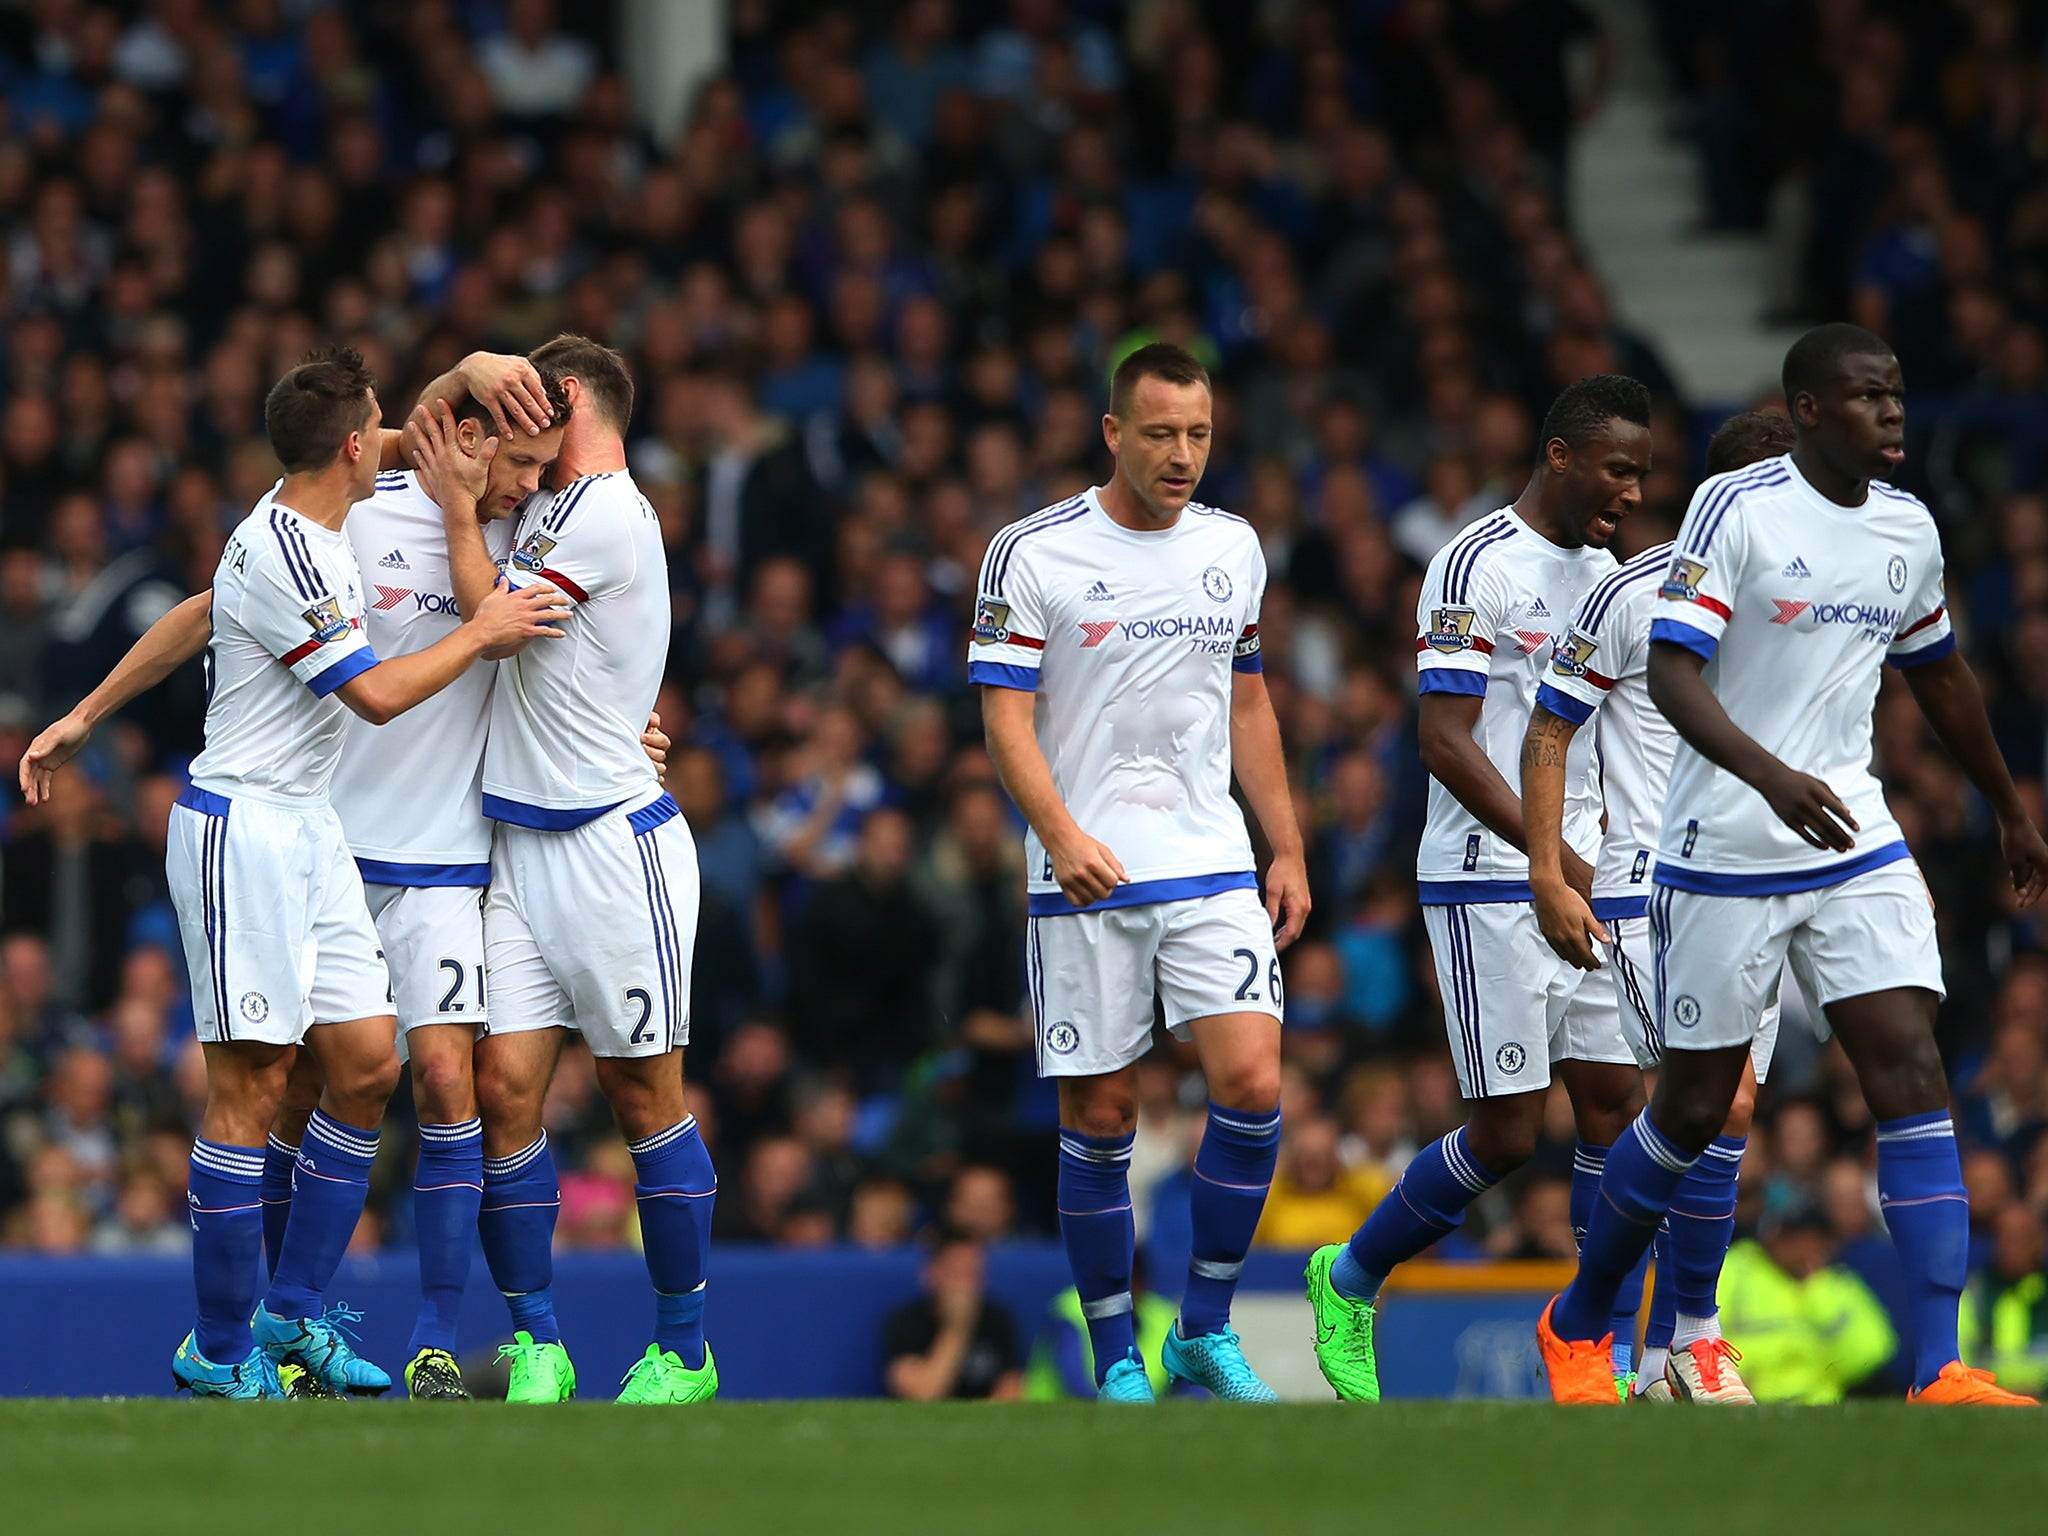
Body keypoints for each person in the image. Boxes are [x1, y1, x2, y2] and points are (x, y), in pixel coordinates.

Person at [21, 348, 566, 1398]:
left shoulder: (297, 513)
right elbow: (374, 697)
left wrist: (85, 715)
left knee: (367, 1063)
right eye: (380, 430)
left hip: (308, 828)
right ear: (353, 448)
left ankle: (289, 1318)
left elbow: (200, 610)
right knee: (252, 1086)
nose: (400, 439)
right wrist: (487, 626)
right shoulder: (296, 557)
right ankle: (220, 1353)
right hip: (243, 832)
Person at [1538, 323, 2048, 1408]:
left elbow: (1939, 671)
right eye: (1868, 397)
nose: (1893, 413)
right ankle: (1579, 1317)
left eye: (1898, 394)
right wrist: (1767, 777)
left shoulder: (1906, 527)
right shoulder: (1741, 510)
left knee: (1908, 1071)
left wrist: (2005, 804)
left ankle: (1937, 1368)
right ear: (1809, 411)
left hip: (1847, 833)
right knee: (1688, 1113)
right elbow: (1672, 672)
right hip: (1721, 844)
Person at [1303, 374, 1651, 1403]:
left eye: (1639, 473)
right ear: (1558, 456)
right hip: (1487, 879)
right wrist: (1549, 860)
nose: (1628, 492)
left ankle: (1592, 1345)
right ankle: (1351, 1274)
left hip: (1584, 867)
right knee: (1507, 1130)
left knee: (1610, 1103)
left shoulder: (1607, 571)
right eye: (1614, 469)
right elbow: (1441, 740)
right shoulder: (1472, 563)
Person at [974, 342, 1310, 1403]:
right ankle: (1116, 1353)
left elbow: (1246, 698)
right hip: (1088, 875)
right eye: (1159, 433)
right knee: (1102, 1116)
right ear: (1112, 433)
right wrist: (1061, 835)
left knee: (1253, 1085)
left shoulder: (1233, 548)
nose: (1181, 456)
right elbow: (1001, 718)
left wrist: (1285, 842)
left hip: (1210, 859)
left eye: (1198, 435)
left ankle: (1202, 1327)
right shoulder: (1031, 552)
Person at [418, 335, 717, 1406]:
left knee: (644, 1094)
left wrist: (461, 518)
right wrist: (469, 364)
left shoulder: (607, 515)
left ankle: (683, 1352)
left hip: (609, 844)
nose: (501, 431)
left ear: (568, 398)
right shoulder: (544, 502)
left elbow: (493, 632)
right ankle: (538, 1343)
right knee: (504, 1092)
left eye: (518, 403)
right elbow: (418, 432)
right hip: (518, 841)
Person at [1519, 407, 1797, 1404]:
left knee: (1726, 1114)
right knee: (1702, 1100)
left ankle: (1664, 1352)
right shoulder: (1633, 594)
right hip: (1648, 887)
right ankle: (1650, 1332)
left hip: (1756, 884)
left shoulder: (1796, 605)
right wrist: (1551, 869)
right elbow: (1547, 729)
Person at [1717, 1202, 1896, 1405]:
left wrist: (1818, 1290)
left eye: (1799, 1235)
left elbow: (1869, 1356)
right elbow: (1704, 1336)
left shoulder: (1837, 1284)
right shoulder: (1736, 1269)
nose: (1786, 1242)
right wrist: (1731, 1380)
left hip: (1817, 1405)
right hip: (1744, 1399)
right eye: (1782, 1233)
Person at [881, 1230, 1022, 1401]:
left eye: (973, 1273)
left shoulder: (997, 1318)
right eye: (957, 1272)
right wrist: (958, 1327)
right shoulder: (905, 1322)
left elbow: (1012, 1389)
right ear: (930, 1274)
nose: (965, 1285)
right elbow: (924, 1394)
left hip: (985, 1420)